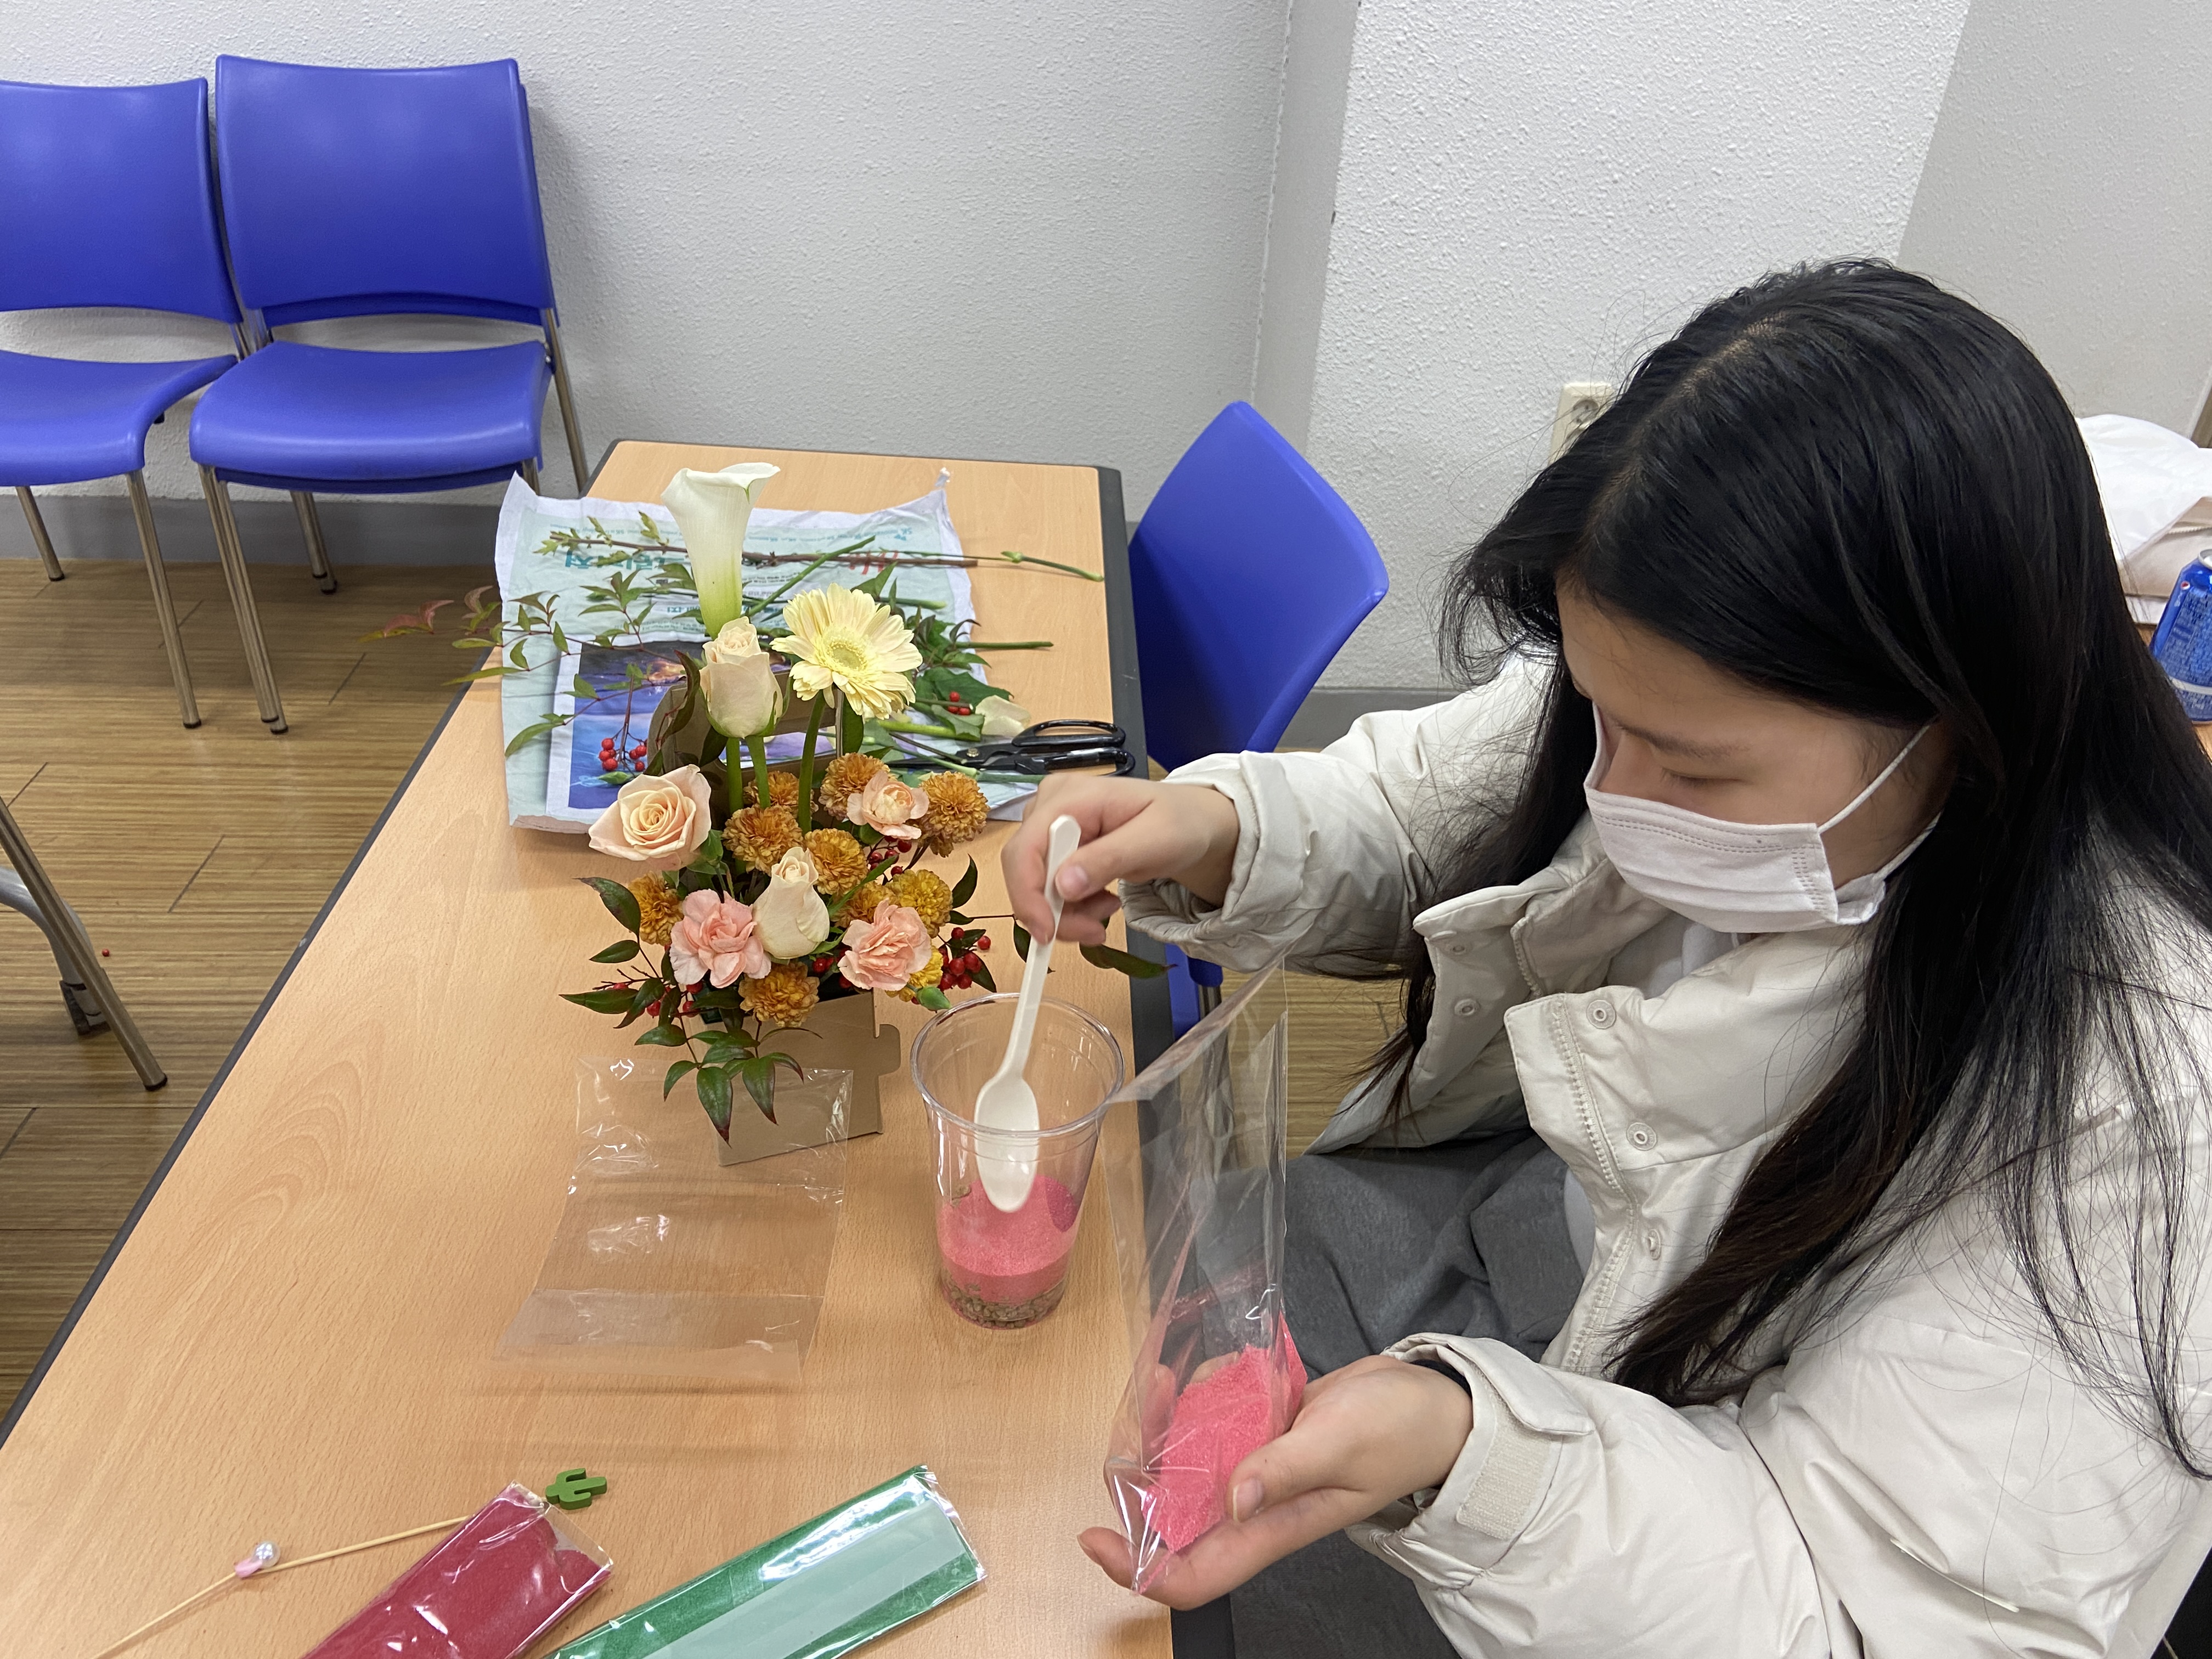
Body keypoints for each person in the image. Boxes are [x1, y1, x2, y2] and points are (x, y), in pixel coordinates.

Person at [1002, 261, 2212, 1656]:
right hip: (1519, 1242)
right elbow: (1420, 799)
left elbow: (1863, 1617)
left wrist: (1470, 1460)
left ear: (1960, 721)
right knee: (1080, 1366)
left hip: (1689, 1488)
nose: (1615, 799)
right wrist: (1222, 829)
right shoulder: (1673, 687)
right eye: (1596, 715)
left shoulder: (2134, 1115)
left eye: (1692, 770)